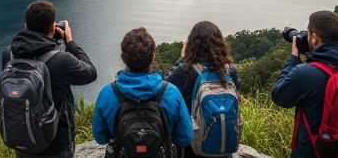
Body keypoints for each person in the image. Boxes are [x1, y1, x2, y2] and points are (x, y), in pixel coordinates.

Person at [1, 0, 97, 158]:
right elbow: (90, 73)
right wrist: (69, 42)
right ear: (53, 27)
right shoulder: (61, 60)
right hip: (56, 145)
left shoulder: (9, 55)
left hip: (23, 140)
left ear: (26, 26)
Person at [271, 10, 338, 158]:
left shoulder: (304, 73)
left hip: (313, 151)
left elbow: (278, 96)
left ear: (315, 38)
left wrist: (293, 58)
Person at [93, 27, 193, 154]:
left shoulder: (107, 93)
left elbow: (100, 137)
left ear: (122, 57)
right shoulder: (171, 93)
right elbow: (185, 138)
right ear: (153, 57)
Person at [163, 21, 240, 157]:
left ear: (191, 45)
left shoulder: (184, 71)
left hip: (192, 148)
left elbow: (163, 87)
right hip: (222, 146)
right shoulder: (230, 71)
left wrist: (183, 59)